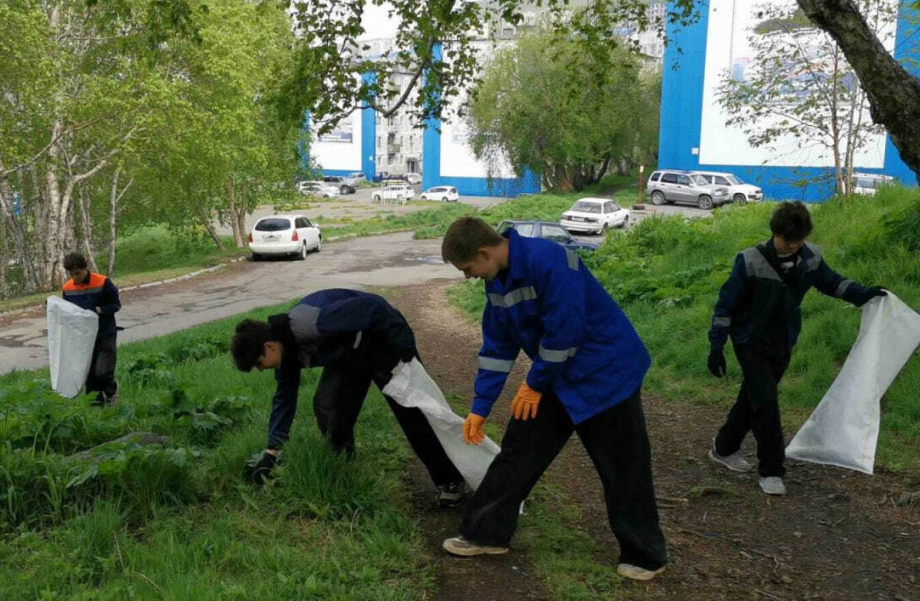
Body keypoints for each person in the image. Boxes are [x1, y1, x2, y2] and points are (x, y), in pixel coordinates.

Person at [438, 217, 668, 582]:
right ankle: (485, 534)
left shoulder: (550, 261)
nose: (468, 276)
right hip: (556, 377)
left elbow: (566, 332)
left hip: (607, 374)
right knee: (518, 452)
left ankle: (646, 555)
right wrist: (480, 408)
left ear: (483, 253)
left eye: (467, 268)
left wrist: (535, 384)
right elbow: (497, 347)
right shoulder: (496, 281)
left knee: (624, 467)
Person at [707, 201, 886, 496]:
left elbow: (833, 283)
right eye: (787, 240)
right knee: (766, 403)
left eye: (798, 240)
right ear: (774, 232)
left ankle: (723, 447)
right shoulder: (750, 260)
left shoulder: (810, 257)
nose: (792, 245)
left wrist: (862, 294)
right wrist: (716, 346)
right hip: (749, 341)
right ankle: (772, 471)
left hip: (783, 341)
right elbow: (725, 305)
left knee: (753, 398)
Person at [230, 288, 467, 507]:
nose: (261, 369)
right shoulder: (285, 354)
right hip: (349, 353)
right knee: (328, 406)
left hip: (383, 340)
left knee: (411, 411)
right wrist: (272, 452)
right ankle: (342, 464)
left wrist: (403, 350)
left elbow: (374, 307)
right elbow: (284, 401)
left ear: (269, 346)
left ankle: (450, 480)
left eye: (259, 364)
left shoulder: (310, 323)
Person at [62, 252, 121, 407]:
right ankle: (97, 405)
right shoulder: (67, 288)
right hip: (84, 338)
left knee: (103, 371)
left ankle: (111, 390)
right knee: (89, 374)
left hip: (105, 332)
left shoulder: (102, 282)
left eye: (78, 273)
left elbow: (116, 305)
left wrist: (99, 310)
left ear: (85, 268)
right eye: (71, 274)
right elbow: (68, 311)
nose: (75, 277)